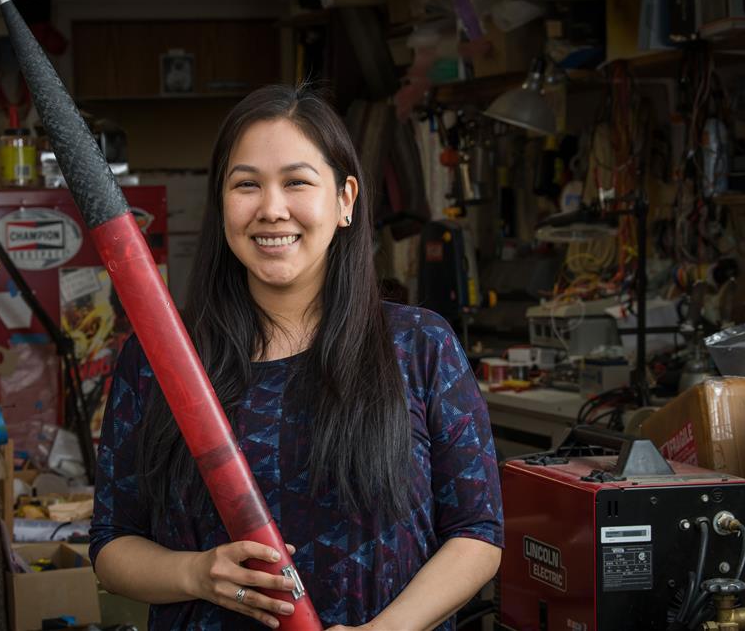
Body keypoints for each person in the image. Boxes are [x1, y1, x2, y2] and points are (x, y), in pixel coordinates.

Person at [89, 84, 502, 630]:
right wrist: (195, 573)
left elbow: (477, 533)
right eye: (246, 185)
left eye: (296, 182)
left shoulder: (420, 345)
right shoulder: (159, 358)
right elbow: (112, 543)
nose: (271, 209)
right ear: (221, 202)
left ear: (345, 199)